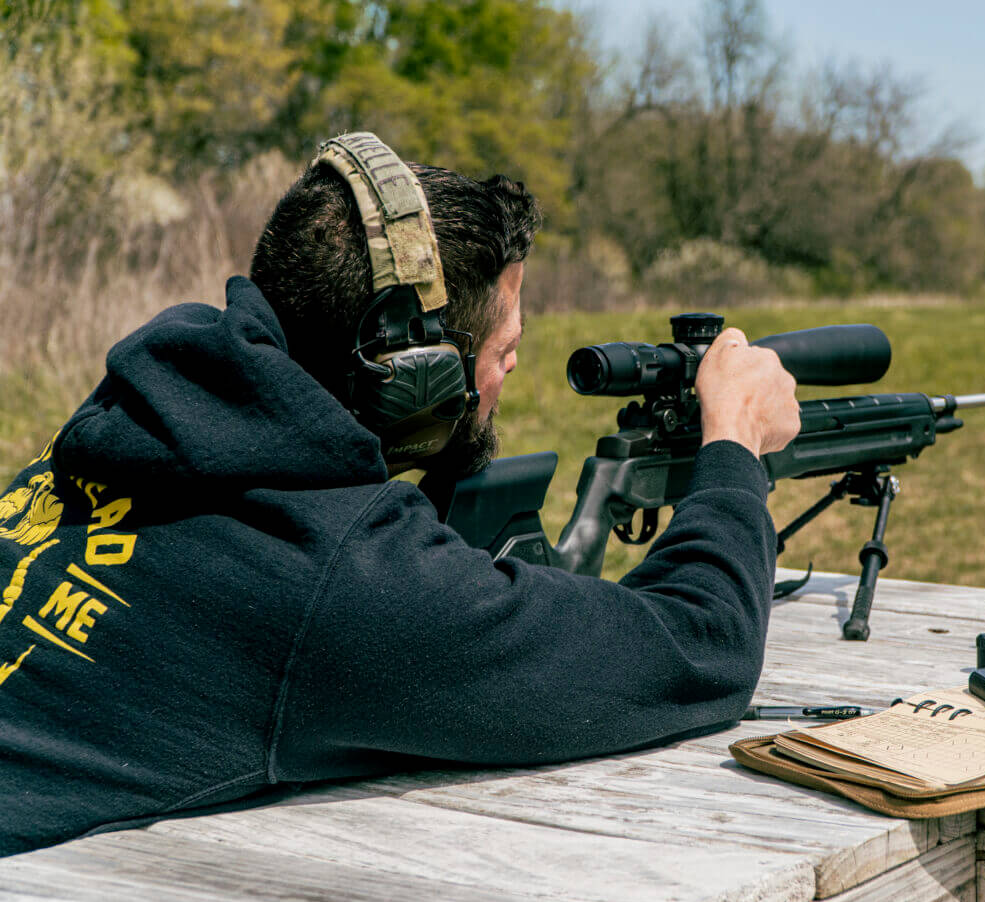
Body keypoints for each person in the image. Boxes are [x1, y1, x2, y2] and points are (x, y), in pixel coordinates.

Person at [0, 134, 801, 858]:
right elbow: (703, 645)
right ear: (414, 374)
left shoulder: (140, 416)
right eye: (503, 346)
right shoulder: (339, 576)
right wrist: (731, 442)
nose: (508, 371)